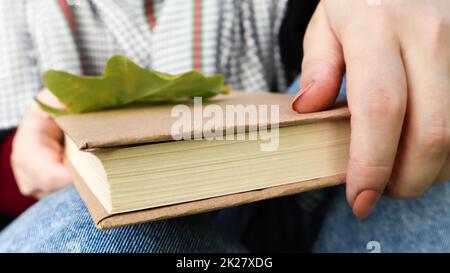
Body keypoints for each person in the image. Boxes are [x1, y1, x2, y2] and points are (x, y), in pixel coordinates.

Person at [0, 0, 449, 253]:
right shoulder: (18, 14)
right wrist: (33, 152)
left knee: (404, 81)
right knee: (84, 234)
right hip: (102, 213)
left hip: (302, 202)